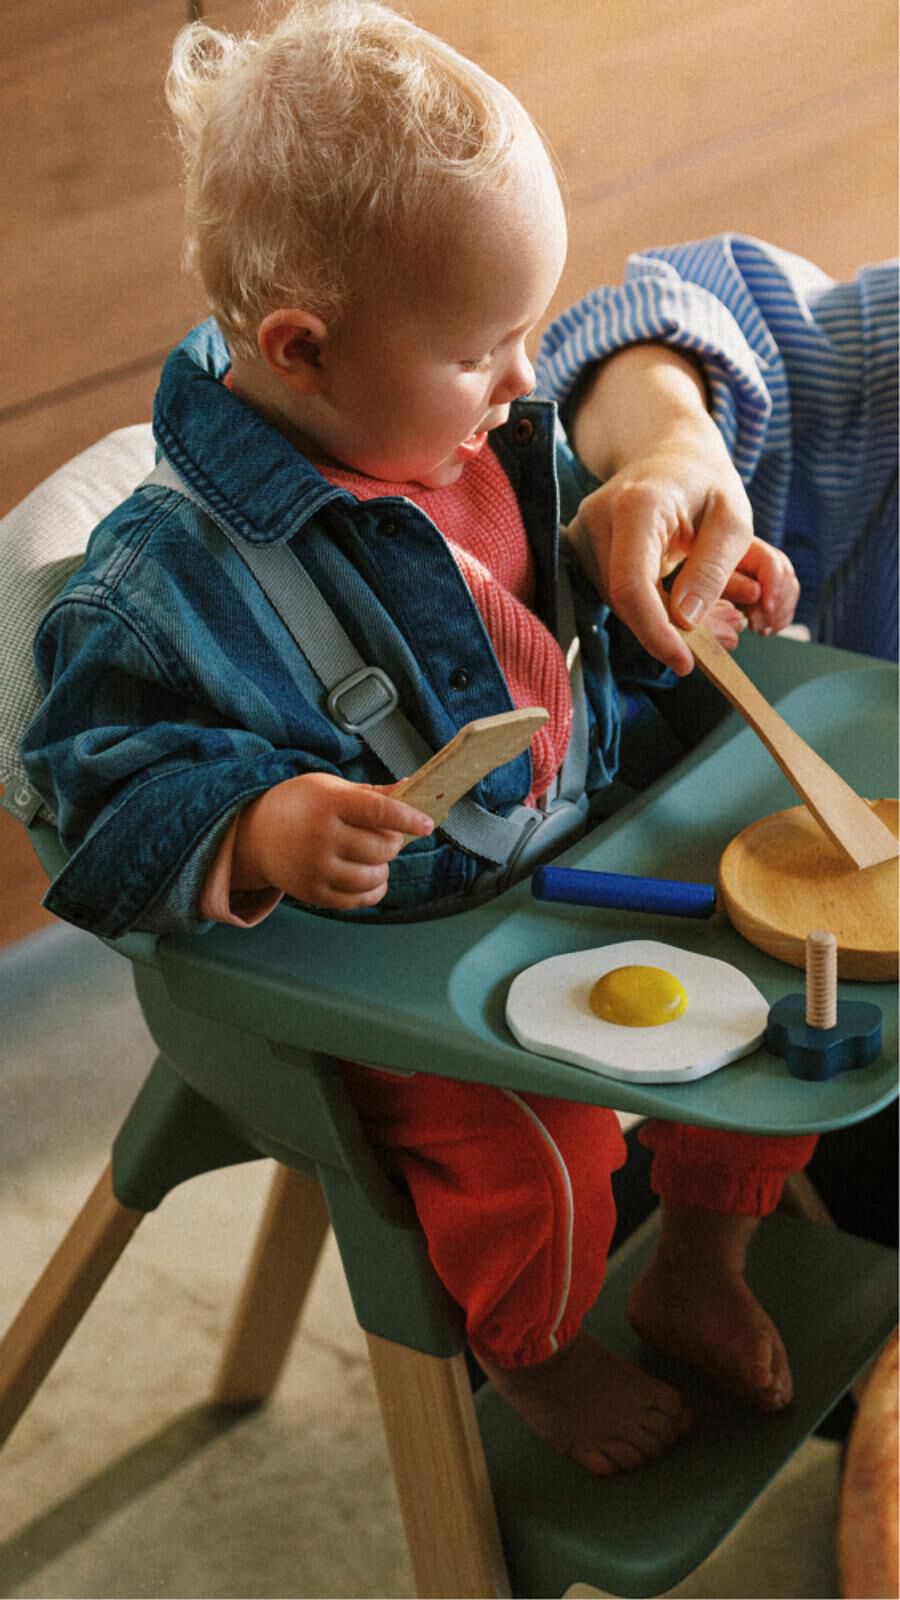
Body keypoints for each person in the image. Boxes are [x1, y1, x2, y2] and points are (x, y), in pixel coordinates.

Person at [23, 0, 832, 1476]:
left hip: (574, 864)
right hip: (399, 978)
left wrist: (661, 602)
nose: (530, 381)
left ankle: (700, 1264)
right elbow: (85, 801)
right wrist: (255, 828)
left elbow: (529, 643)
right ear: (301, 349)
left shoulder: (463, 436)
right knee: (545, 1163)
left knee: (793, 1001)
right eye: (487, 349)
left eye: (531, 331)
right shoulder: (162, 587)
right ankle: (527, 1356)